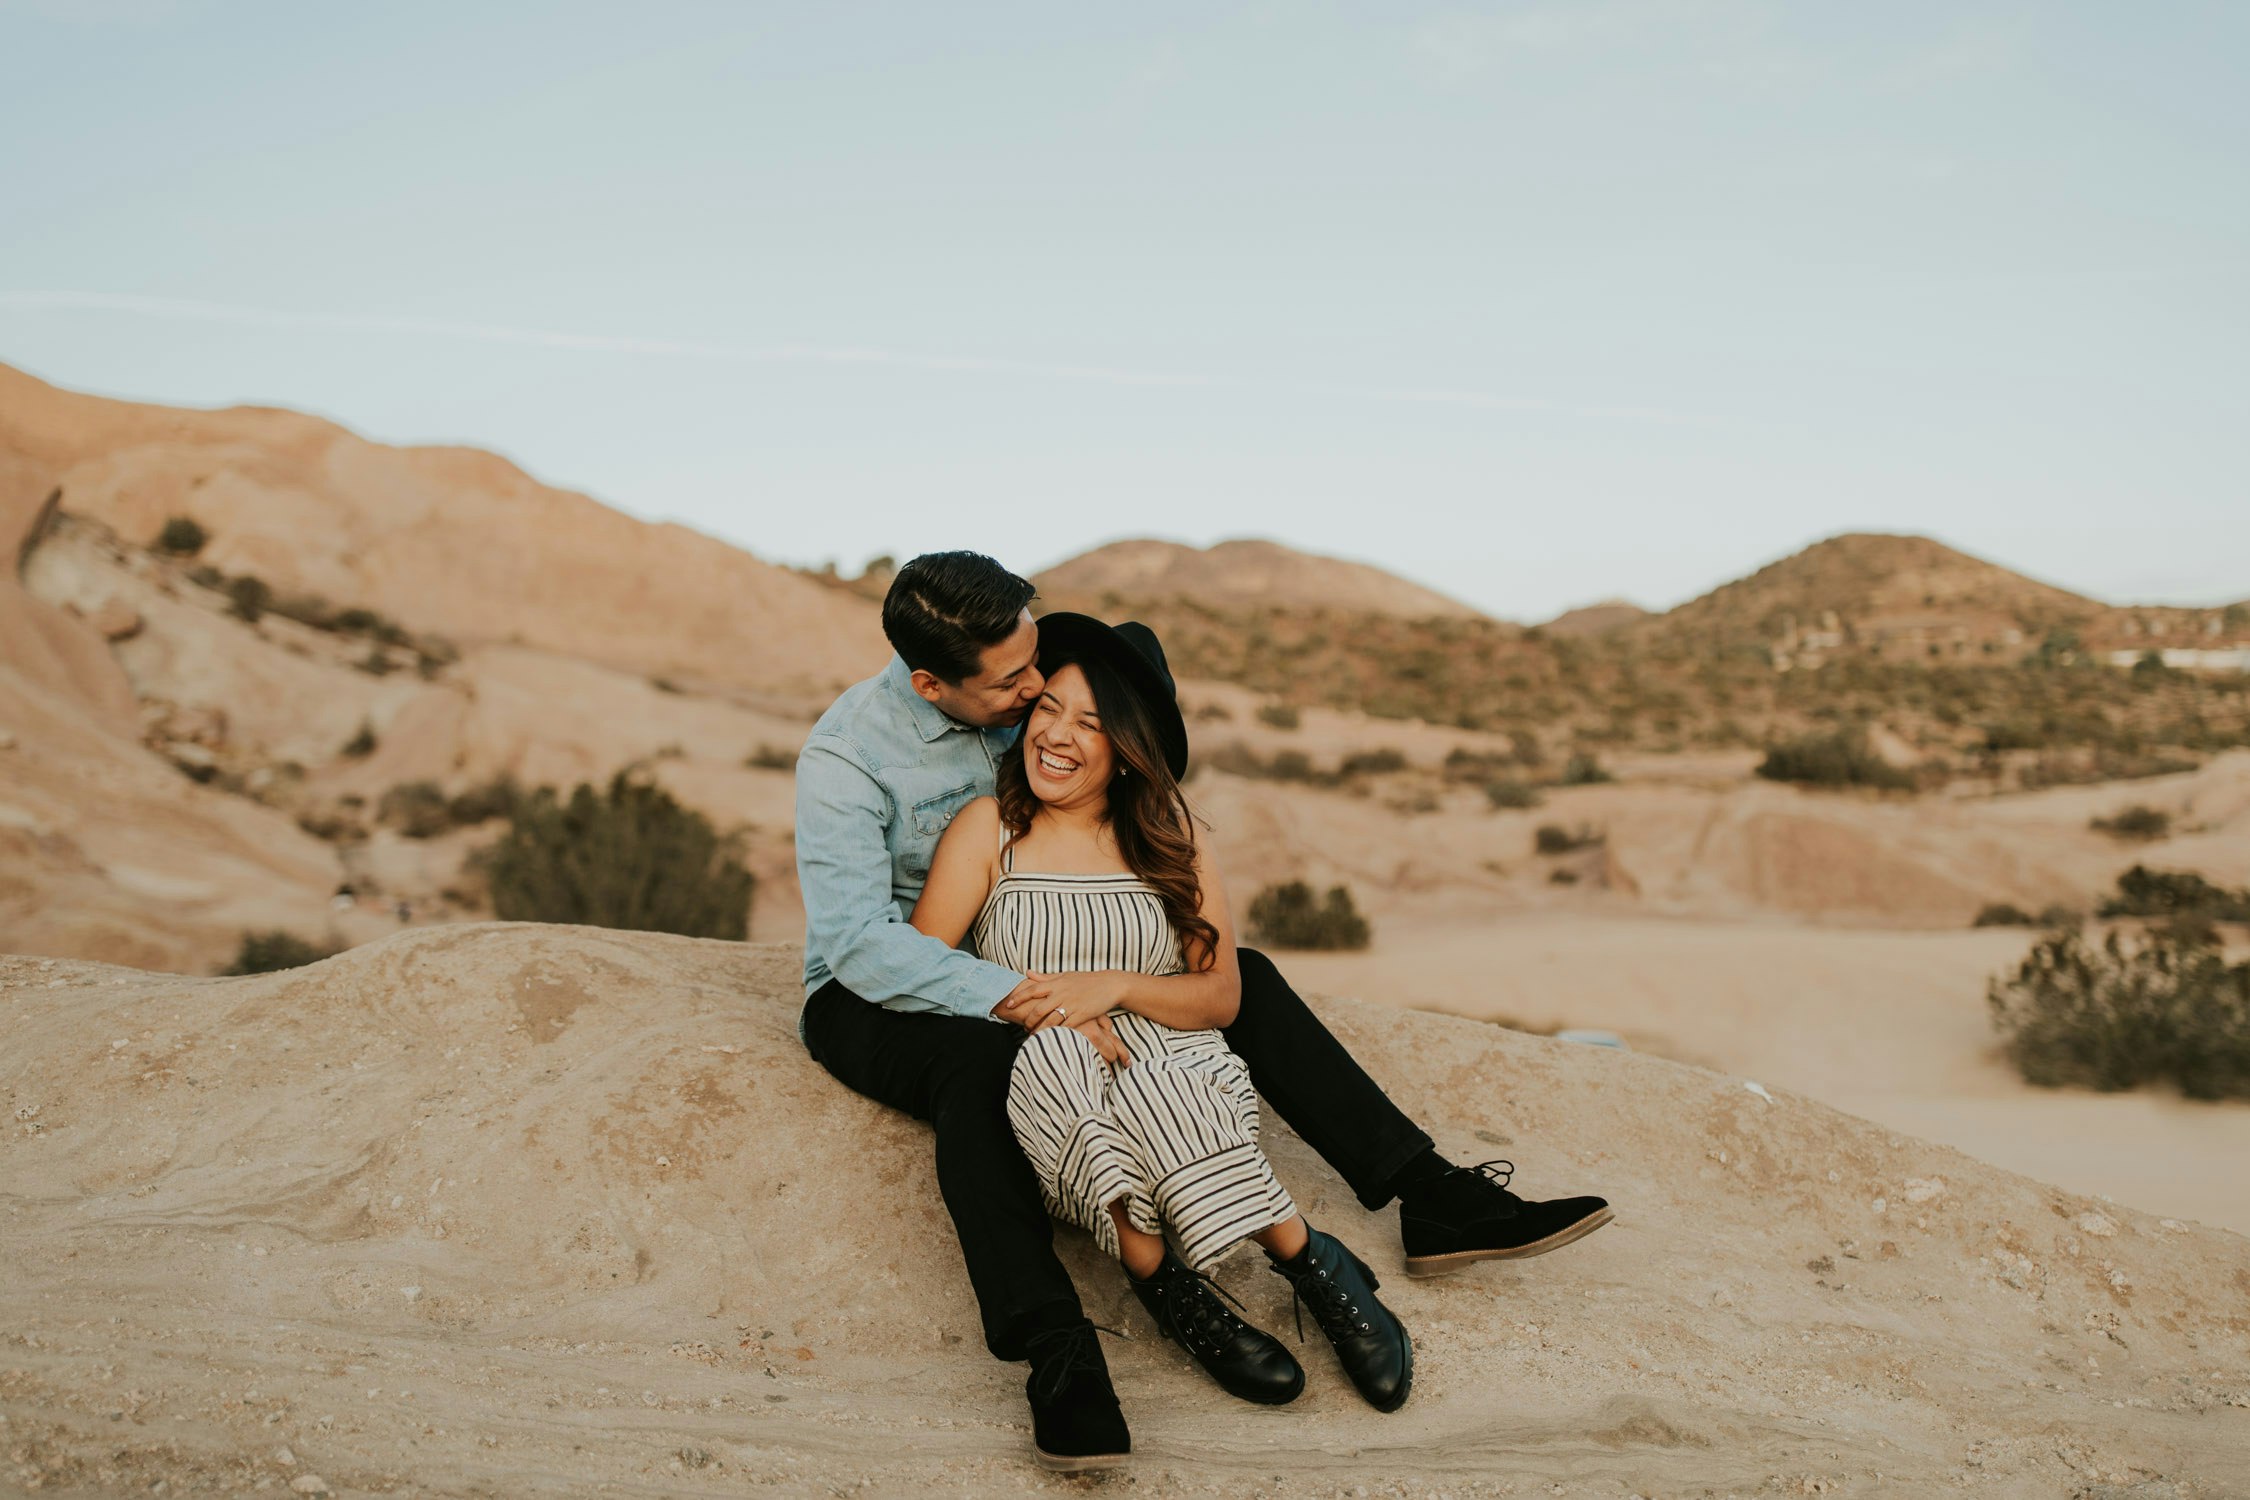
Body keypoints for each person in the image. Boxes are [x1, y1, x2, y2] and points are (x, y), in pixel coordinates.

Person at [795, 552, 1611, 1470]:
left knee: (1240, 977)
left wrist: (1111, 977)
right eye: (1017, 683)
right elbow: (866, 948)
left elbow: (1109, 761)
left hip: (1014, 950)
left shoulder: (1027, 703)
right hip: (881, 986)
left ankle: (1432, 1198)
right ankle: (1058, 1350)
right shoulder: (847, 759)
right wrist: (1024, 997)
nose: (1035, 697)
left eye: (1038, 667)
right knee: (983, 1067)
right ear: (932, 685)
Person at [906, 615, 1410, 1433]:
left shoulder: (1172, 840)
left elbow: (1220, 998)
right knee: (1057, 1062)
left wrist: (1114, 987)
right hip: (1054, 1071)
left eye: (1090, 723)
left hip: (1175, 1060)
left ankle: (1312, 1261)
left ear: (1127, 748)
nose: (1056, 735)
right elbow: (920, 967)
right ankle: (1163, 1282)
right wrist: (1047, 1011)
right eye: (1048, 709)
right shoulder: (988, 830)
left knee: (1160, 1088)